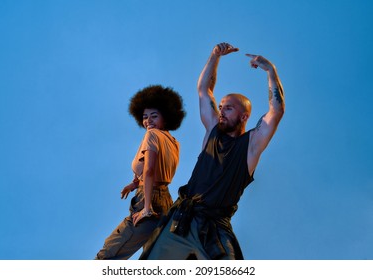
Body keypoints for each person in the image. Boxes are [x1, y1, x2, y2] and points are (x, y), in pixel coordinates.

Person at [140, 42, 285, 260]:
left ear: (244, 116)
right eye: (221, 106)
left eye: (228, 107)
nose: (221, 111)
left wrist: (271, 71)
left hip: (214, 229)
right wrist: (214, 56)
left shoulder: (251, 145)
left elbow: (277, 110)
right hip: (182, 219)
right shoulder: (212, 130)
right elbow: (204, 90)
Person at [95, 85, 186, 260]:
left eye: (154, 116)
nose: (148, 121)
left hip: (149, 200)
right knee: (151, 257)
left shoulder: (152, 136)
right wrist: (134, 183)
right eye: (145, 117)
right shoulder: (174, 142)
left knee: (108, 254)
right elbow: (159, 172)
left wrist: (146, 209)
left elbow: (150, 170)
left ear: (166, 117)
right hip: (166, 201)